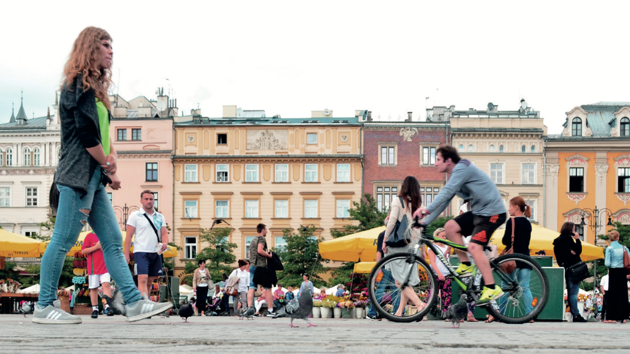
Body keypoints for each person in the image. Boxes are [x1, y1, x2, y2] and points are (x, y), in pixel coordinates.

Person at [34, 27, 171, 324]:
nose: (111, 51)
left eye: (112, 46)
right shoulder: (76, 86)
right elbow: (85, 135)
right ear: (90, 49)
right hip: (77, 177)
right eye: (105, 45)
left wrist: (112, 162)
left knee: (112, 241)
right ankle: (44, 305)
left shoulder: (95, 90)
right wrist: (108, 166)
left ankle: (134, 303)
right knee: (62, 239)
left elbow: (103, 136)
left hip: (94, 178)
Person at [414, 145, 507, 306]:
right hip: (479, 213)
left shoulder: (462, 168)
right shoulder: (454, 176)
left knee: (474, 247)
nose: (435, 163)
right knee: (450, 227)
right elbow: (444, 201)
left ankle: (492, 287)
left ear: (448, 160)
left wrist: (426, 209)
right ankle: (466, 265)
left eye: (438, 159)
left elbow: (445, 192)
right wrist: (424, 223)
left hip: (492, 213)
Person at [383, 176, 426, 316]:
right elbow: (420, 230)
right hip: (414, 247)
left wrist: (385, 239)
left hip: (399, 246)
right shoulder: (419, 206)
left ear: (404, 186)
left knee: (399, 282)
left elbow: (392, 221)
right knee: (405, 280)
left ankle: (419, 304)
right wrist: (423, 250)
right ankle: (399, 312)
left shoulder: (398, 200)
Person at [492, 197, 534, 322]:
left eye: (510, 206)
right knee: (525, 288)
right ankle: (530, 314)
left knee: (505, 287)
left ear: (516, 207)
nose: (508, 209)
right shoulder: (528, 222)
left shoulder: (512, 221)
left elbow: (506, 241)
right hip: (525, 258)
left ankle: (501, 315)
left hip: (512, 259)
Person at [125, 190, 168, 297]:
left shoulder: (160, 216)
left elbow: (164, 233)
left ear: (154, 201)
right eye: (146, 199)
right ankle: (142, 305)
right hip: (141, 251)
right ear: (141, 201)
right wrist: (126, 254)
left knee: (149, 281)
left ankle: (147, 304)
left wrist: (165, 243)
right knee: (142, 278)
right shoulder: (135, 215)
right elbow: (129, 236)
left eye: (151, 199)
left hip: (155, 252)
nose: (149, 201)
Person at [367, 212, 402, 320]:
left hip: (391, 267)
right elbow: (379, 252)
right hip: (387, 267)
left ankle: (398, 312)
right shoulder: (385, 234)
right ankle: (373, 313)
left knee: (395, 290)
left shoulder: (390, 234)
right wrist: (378, 269)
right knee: (389, 290)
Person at [553, 221, 586, 322]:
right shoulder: (568, 239)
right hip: (574, 269)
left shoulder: (557, 241)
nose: (575, 231)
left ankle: (574, 313)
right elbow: (578, 251)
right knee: (573, 293)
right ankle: (576, 315)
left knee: (570, 291)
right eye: (574, 229)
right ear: (570, 229)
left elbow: (559, 258)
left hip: (566, 268)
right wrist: (577, 240)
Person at [80, 232, 114, 318]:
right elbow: (83, 251)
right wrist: (96, 247)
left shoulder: (106, 234)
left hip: (105, 265)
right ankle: (95, 309)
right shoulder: (90, 236)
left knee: (106, 284)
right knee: (93, 287)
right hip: (93, 266)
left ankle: (107, 306)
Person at [247, 223, 275, 317]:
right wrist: (269, 256)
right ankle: (270, 311)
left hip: (252, 266)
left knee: (252, 287)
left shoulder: (252, 240)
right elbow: (260, 250)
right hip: (261, 267)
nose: (266, 231)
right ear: (262, 230)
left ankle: (250, 309)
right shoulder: (262, 239)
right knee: (267, 288)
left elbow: (249, 255)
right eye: (266, 229)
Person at [603, 230, 630, 323]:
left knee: (613, 294)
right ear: (618, 238)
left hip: (613, 272)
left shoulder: (609, 248)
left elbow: (607, 263)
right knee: (623, 294)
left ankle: (612, 317)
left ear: (610, 239)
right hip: (622, 272)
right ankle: (623, 317)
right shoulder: (624, 248)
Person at [427, 228, 452, 319]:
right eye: (442, 236)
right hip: (436, 274)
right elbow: (433, 262)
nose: (444, 238)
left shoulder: (446, 247)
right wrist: (439, 273)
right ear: (436, 236)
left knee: (447, 296)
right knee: (432, 294)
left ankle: (447, 315)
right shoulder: (433, 247)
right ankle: (424, 313)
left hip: (446, 274)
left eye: (445, 236)